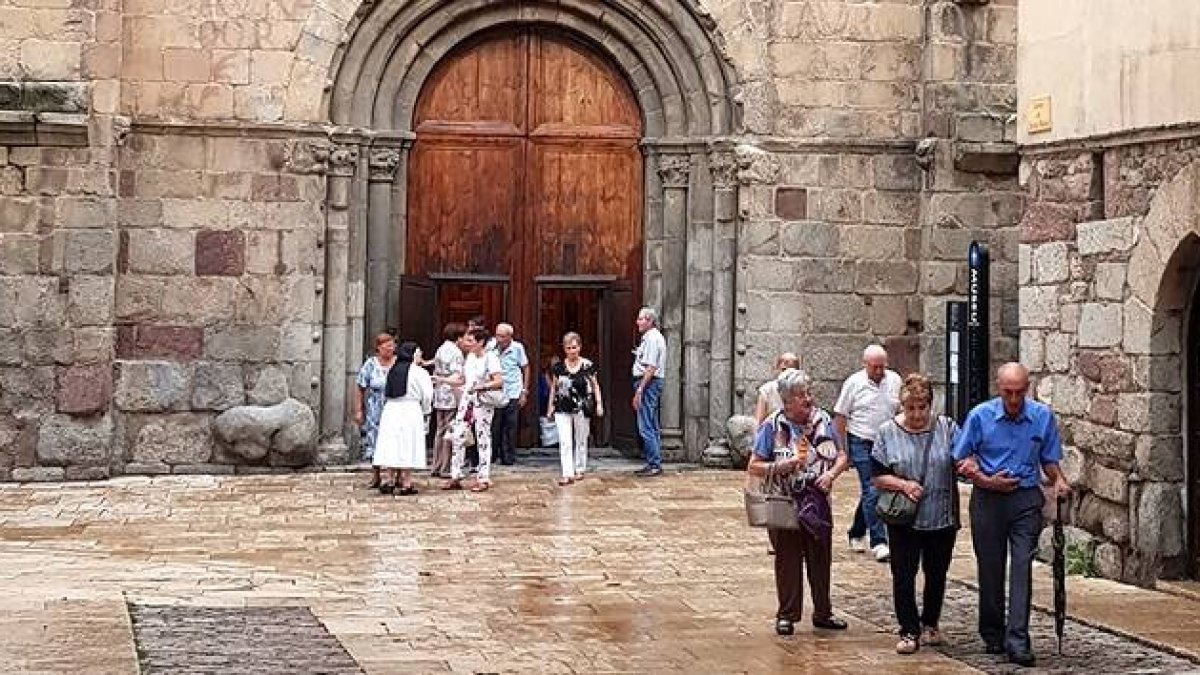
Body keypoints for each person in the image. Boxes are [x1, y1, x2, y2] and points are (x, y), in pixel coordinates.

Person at [954, 362, 1071, 668]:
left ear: (1028, 388)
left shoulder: (1042, 417)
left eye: (1020, 392)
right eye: (1009, 393)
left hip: (1025, 500)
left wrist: (1058, 480)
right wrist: (981, 477)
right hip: (988, 500)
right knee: (990, 569)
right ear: (998, 388)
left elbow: (1049, 460)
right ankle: (993, 632)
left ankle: (1018, 639)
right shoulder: (980, 416)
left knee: (1022, 567)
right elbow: (961, 457)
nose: (1015, 399)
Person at [746, 368, 851, 636]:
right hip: (785, 501)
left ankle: (823, 612)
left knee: (820, 556)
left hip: (817, 499)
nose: (808, 398)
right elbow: (754, 466)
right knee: (787, 559)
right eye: (802, 394)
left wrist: (830, 474)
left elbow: (841, 456)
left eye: (808, 392)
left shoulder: (823, 420)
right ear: (787, 400)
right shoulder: (772, 426)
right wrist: (784, 466)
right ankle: (787, 614)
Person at [871, 373, 960, 655]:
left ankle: (930, 622)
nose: (917, 414)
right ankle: (909, 630)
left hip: (940, 515)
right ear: (902, 406)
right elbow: (877, 476)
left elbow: (962, 460)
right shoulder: (887, 432)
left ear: (930, 405)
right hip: (904, 518)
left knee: (936, 573)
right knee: (904, 574)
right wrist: (903, 484)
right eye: (911, 408)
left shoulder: (947, 428)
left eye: (922, 407)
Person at [833, 344, 902, 562]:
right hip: (861, 440)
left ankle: (856, 531)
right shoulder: (853, 384)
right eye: (875, 368)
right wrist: (840, 450)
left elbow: (898, 410)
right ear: (865, 365)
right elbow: (841, 416)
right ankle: (879, 541)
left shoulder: (895, 381)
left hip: (887, 442)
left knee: (874, 491)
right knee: (872, 488)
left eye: (882, 367)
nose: (879, 372)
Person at [443, 327, 504, 492]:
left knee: (483, 436)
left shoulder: (490, 358)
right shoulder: (469, 357)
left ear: (480, 342)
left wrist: (483, 386)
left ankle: (483, 476)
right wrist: (444, 380)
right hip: (467, 400)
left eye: (471, 341)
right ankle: (455, 474)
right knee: (458, 435)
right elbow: (463, 379)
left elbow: (498, 381)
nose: (467, 343)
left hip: (482, 401)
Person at [372, 342, 434, 495]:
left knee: (392, 443)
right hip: (410, 409)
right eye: (418, 353)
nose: (420, 356)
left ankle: (389, 479)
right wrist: (426, 411)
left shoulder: (393, 370)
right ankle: (406, 482)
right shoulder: (420, 373)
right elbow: (427, 395)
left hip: (391, 409)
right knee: (408, 443)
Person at [546, 332, 604, 485]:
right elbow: (554, 388)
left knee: (580, 439)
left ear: (580, 347)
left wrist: (599, 404)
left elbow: (595, 385)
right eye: (568, 348)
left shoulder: (587, 366)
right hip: (562, 407)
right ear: (564, 349)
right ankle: (567, 473)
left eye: (574, 347)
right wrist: (550, 406)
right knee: (565, 440)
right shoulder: (558, 367)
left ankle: (580, 468)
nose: (572, 351)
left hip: (581, 407)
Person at [354, 333, 396, 489]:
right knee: (375, 440)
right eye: (386, 346)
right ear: (378, 348)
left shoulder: (398, 363)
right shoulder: (371, 364)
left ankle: (393, 474)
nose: (390, 349)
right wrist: (358, 409)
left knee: (394, 440)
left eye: (392, 346)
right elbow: (360, 386)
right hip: (375, 409)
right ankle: (376, 474)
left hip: (394, 406)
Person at [632, 306, 667, 477]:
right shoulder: (650, 338)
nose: (637, 322)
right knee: (651, 424)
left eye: (641, 319)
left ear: (650, 321)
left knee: (645, 425)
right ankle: (654, 461)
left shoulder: (653, 339)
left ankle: (654, 463)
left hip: (649, 383)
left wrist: (640, 389)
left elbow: (651, 367)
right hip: (649, 383)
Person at [490, 322, 530, 466]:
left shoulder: (517, 348)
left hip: (513, 391)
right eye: (497, 335)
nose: (498, 339)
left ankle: (508, 457)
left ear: (509, 337)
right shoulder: (491, 347)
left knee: (510, 426)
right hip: (495, 392)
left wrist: (524, 391)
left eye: (502, 336)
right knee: (495, 425)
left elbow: (525, 368)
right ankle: (492, 455)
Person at [430, 322, 466, 478]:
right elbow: (457, 374)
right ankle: (445, 466)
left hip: (439, 391)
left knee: (440, 429)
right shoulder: (456, 352)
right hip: (451, 391)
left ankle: (436, 465)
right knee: (449, 429)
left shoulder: (440, 349)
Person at [754, 352, 801, 422]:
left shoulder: (802, 390)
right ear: (777, 369)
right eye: (784, 370)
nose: (787, 374)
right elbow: (758, 420)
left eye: (791, 370)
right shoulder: (767, 389)